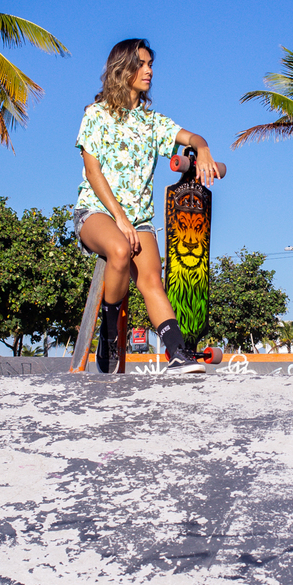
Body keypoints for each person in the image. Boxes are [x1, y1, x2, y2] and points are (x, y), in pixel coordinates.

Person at [75, 38, 221, 372]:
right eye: (141, 64)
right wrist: (120, 218)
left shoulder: (153, 123)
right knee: (120, 250)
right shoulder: (95, 115)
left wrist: (205, 148)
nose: (149, 71)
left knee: (152, 279)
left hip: (138, 221)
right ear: (121, 68)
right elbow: (93, 171)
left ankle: (176, 353)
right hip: (96, 212)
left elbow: (191, 138)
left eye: (150, 64)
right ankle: (109, 335)